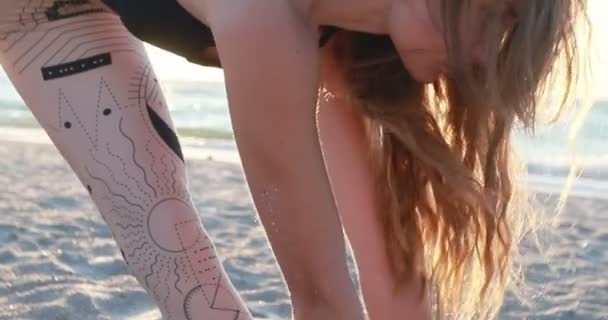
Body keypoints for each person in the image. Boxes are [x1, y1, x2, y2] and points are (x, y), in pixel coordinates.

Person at [0, 0, 587, 319]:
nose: (486, 57)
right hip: (27, 14)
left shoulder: (358, 37)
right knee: (187, 277)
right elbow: (321, 297)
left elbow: (394, 278)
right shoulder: (265, 20)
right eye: (497, 16)